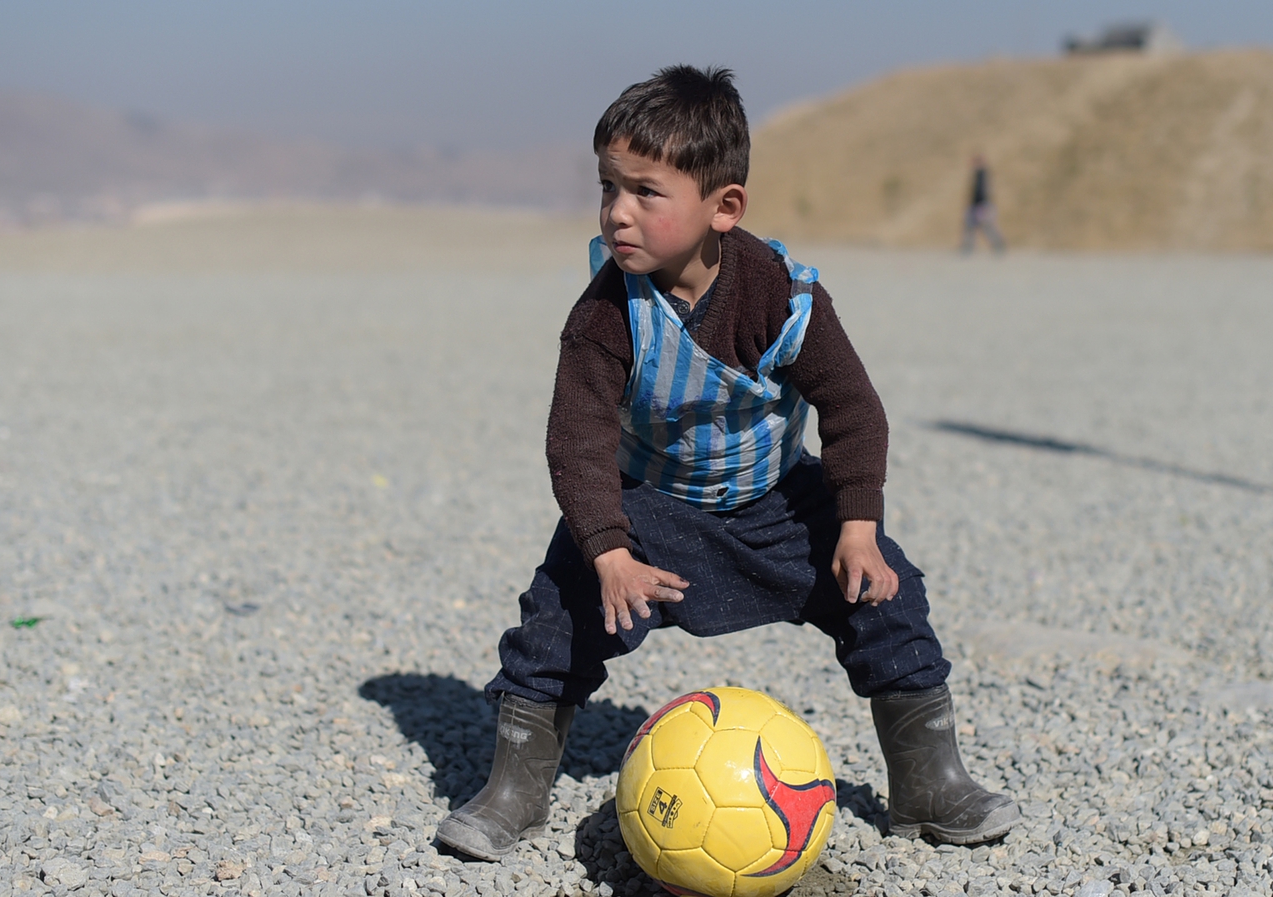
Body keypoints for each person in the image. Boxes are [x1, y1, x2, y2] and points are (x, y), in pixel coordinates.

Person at [434, 65, 1019, 861]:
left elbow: (853, 410)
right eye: (608, 187)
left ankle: (929, 781)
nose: (617, 213)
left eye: (646, 192)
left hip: (777, 499)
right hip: (654, 505)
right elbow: (576, 438)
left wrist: (857, 526)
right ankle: (514, 789)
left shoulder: (780, 296)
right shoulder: (606, 313)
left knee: (888, 593)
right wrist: (607, 551)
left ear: (724, 207)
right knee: (560, 608)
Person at [962, 153, 1006, 254]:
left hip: (981, 206)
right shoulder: (980, 175)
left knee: (985, 226)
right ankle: (968, 247)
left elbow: (981, 192)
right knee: (973, 227)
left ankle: (998, 245)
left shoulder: (982, 175)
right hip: (979, 205)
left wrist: (981, 205)